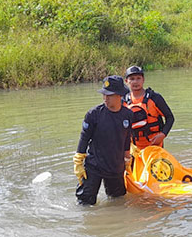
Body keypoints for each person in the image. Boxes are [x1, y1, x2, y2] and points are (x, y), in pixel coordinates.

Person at [73, 76, 133, 205]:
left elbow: (126, 138)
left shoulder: (128, 115)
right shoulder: (94, 114)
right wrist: (78, 160)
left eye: (109, 95)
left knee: (118, 201)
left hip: (115, 166)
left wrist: (127, 158)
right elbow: (84, 137)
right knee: (85, 202)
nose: (105, 98)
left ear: (119, 95)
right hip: (94, 165)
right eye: (104, 94)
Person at [123, 66, 175, 150]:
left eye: (138, 78)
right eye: (132, 79)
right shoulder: (123, 101)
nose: (135, 82)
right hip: (134, 147)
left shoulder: (155, 98)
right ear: (126, 81)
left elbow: (170, 117)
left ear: (143, 80)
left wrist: (163, 134)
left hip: (155, 145)